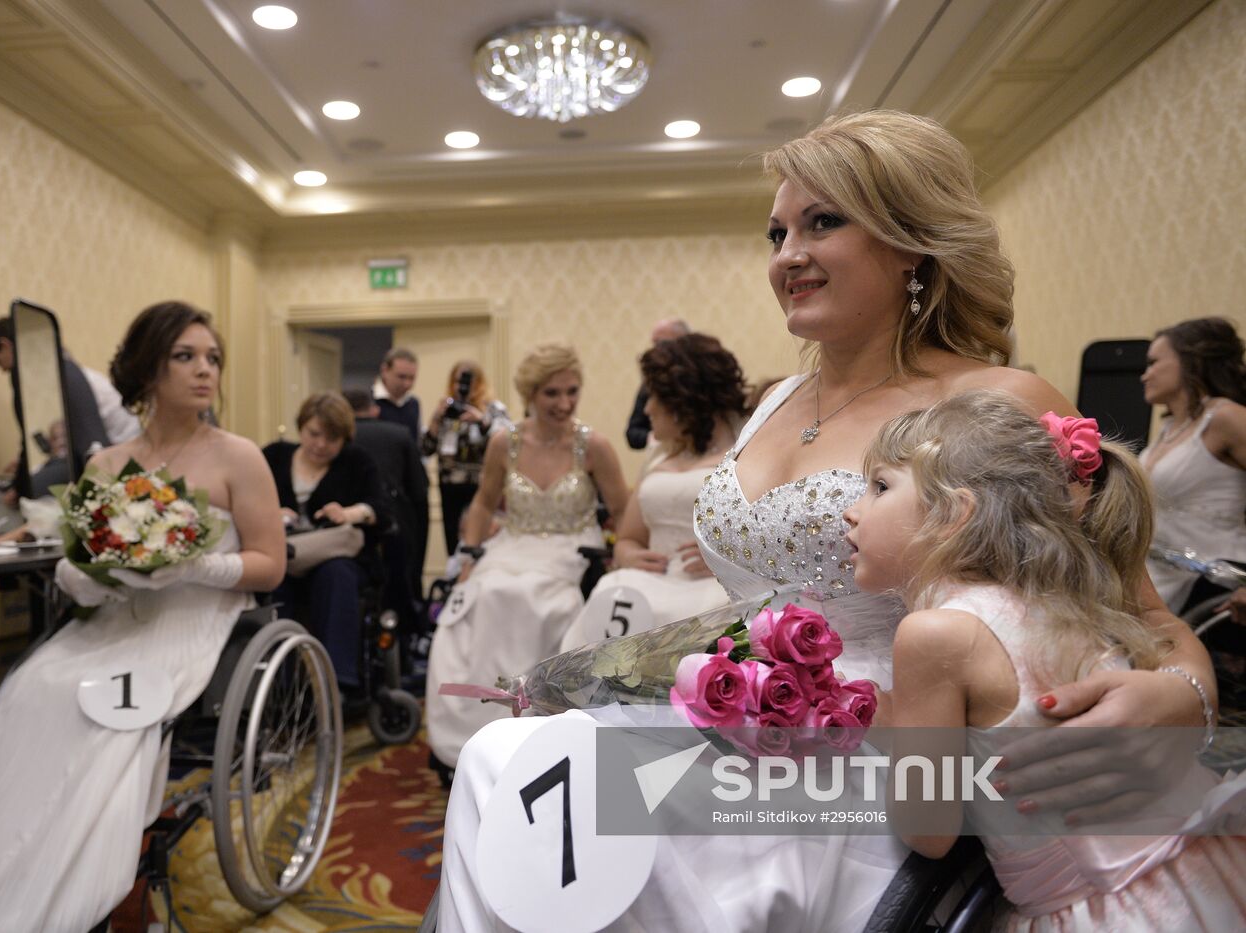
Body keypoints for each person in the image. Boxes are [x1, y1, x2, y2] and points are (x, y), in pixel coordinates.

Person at [437, 111, 1216, 933]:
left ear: (910, 242)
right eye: (776, 232)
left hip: (886, 769)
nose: (787, 256)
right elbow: (759, 597)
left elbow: (1153, 624)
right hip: (744, 719)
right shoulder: (772, 402)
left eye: (823, 222)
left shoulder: (996, 403)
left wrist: (1180, 696)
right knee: (506, 764)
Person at [0, 301, 285, 931]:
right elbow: (79, 562)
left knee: (104, 721)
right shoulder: (107, 464)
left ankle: (67, 886)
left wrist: (194, 569)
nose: (204, 370)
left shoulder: (237, 456)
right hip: (107, 622)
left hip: (189, 623)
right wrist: (87, 575)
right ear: (147, 370)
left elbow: (271, 562)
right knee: (34, 689)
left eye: (212, 358)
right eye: (185, 357)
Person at [848, 390, 1246, 931]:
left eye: (879, 487)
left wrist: (876, 718)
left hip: (1108, 909)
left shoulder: (935, 634)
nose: (851, 509)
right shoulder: (1069, 599)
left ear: (953, 513)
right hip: (1204, 868)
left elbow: (929, 832)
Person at [425, 343, 629, 770]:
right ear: (531, 394)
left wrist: (623, 557)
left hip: (570, 547)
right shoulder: (505, 442)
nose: (565, 403)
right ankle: (476, 729)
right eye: (552, 393)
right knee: (483, 596)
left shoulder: (594, 447)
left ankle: (538, 725)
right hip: (512, 544)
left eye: (572, 391)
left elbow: (624, 511)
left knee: (545, 600)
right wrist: (467, 559)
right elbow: (482, 504)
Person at [559, 334, 744, 651]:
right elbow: (628, 537)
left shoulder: (743, 456)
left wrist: (727, 559)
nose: (647, 408)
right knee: (612, 587)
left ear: (684, 401)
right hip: (650, 582)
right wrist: (628, 554)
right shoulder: (658, 456)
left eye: (655, 397)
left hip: (712, 588)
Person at [263, 392, 389, 691]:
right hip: (284, 558)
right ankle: (277, 683)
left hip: (335, 558)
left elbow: (382, 509)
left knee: (337, 574)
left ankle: (337, 679)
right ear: (301, 427)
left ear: (344, 438)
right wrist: (270, 512)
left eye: (331, 439)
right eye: (314, 434)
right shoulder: (274, 456)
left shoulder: (357, 462)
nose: (320, 444)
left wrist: (349, 513)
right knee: (272, 581)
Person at [1139, 317, 1246, 612]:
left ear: (1191, 361)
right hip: (1156, 577)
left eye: (1154, 363)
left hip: (1212, 587)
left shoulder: (1226, 418)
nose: (1144, 376)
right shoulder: (1169, 428)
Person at [0, 316, 137, 502]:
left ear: (5, 345)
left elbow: (93, 443)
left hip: (120, 457)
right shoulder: (65, 373)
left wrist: (21, 487)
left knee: (37, 487)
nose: (3, 371)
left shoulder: (67, 374)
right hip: (111, 450)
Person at [346, 387, 430, 605]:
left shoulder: (337, 440)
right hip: (396, 522)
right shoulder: (399, 433)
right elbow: (419, 488)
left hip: (347, 529)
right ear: (373, 410)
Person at [422, 360, 512, 556]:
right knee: (453, 542)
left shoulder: (493, 409)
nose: (462, 387)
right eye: (457, 381)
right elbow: (425, 449)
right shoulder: (447, 409)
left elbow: (507, 440)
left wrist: (481, 421)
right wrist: (437, 418)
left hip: (483, 486)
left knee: (483, 540)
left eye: (469, 381)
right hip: (450, 487)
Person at [625, 318, 690, 450]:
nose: (655, 349)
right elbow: (633, 433)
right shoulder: (650, 384)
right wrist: (654, 437)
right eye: (654, 343)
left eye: (661, 343)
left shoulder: (703, 381)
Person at [373, 346, 422, 441]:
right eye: (401, 377)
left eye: (412, 378)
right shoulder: (369, 401)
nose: (407, 384)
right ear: (385, 370)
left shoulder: (413, 403)